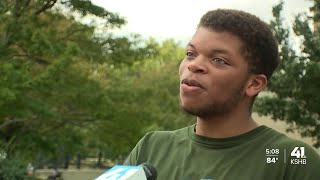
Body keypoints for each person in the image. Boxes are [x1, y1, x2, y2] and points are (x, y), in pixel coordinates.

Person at [124, 9, 320, 180]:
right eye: (191, 54)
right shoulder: (152, 146)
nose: (194, 65)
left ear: (254, 83)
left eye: (218, 60)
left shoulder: (293, 158)